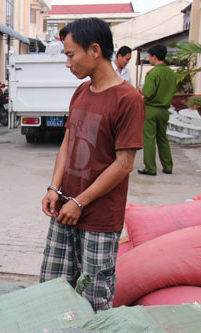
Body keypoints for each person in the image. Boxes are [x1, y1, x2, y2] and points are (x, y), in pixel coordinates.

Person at [40, 18, 144, 311]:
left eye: (71, 54)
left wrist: (80, 202)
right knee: (52, 289)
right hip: (65, 210)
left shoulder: (128, 99)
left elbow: (123, 164)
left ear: (95, 50)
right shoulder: (81, 92)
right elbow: (68, 142)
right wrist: (54, 188)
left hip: (98, 218)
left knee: (94, 298)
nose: (67, 63)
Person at [137, 44, 176, 176]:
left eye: (150, 56)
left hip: (151, 109)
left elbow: (147, 93)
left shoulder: (153, 73)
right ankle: (168, 166)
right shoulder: (171, 73)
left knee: (149, 138)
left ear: (154, 56)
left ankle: (150, 168)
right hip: (165, 110)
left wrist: (141, 90)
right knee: (163, 138)